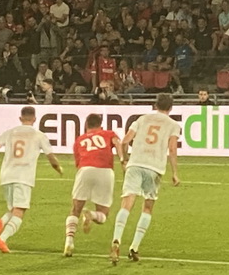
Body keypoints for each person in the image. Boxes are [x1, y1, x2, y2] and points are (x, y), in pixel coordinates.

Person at [111, 93, 181, 264]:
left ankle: (116, 239)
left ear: (155, 105)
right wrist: (175, 173)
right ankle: (134, 247)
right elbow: (172, 149)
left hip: (135, 164)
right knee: (147, 207)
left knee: (127, 203)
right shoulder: (173, 125)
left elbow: (125, 140)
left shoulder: (142, 119)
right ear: (170, 108)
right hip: (154, 168)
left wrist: (124, 159)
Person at [0, 105, 62, 253]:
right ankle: (2, 239)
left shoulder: (11, 132)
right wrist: (58, 168)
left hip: (6, 176)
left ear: (20, 118)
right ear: (34, 118)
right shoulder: (39, 135)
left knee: (13, 209)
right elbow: (51, 157)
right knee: (19, 211)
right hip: (23, 177)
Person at [65, 113, 122, 258]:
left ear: (86, 126)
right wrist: (122, 159)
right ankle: (91, 215)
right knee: (103, 214)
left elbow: (77, 163)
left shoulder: (80, 140)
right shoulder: (108, 133)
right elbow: (117, 143)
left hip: (85, 170)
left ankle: (69, 242)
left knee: (75, 209)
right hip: (105, 171)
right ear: (100, 125)